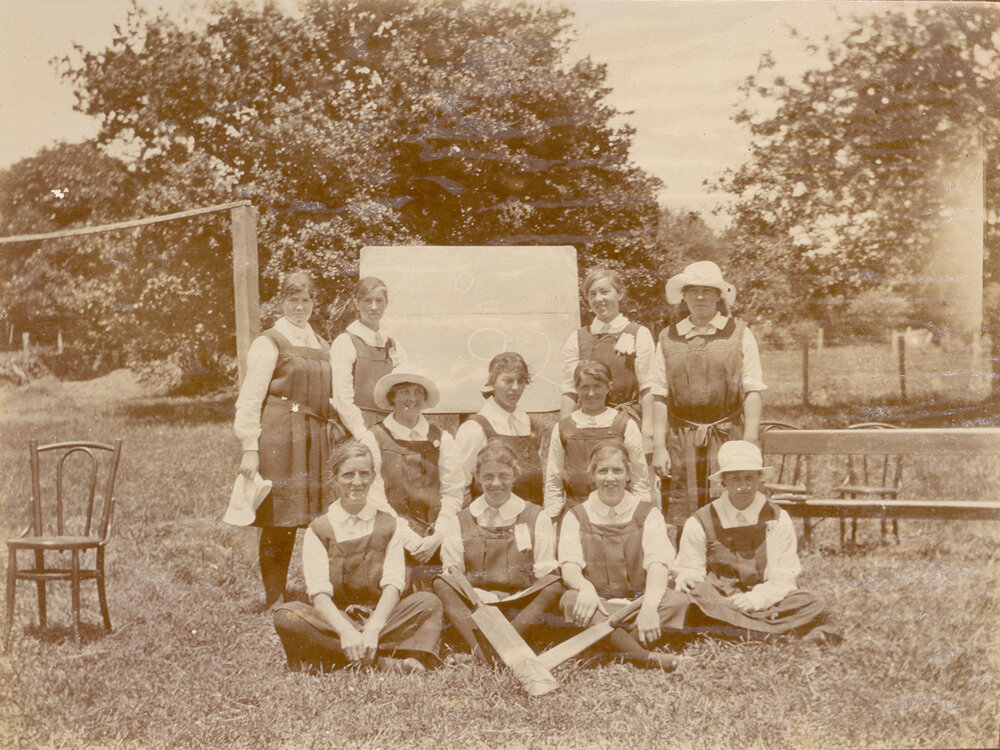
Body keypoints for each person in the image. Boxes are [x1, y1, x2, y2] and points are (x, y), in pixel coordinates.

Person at [272, 441, 443, 673]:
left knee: (428, 602)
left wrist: (373, 628)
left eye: (364, 474)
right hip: (337, 619)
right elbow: (319, 595)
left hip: (384, 618)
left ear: (373, 477)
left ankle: (331, 657)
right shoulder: (319, 529)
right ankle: (383, 662)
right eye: (348, 475)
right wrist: (345, 631)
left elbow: (393, 585)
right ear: (334, 479)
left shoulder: (389, 524)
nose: (357, 482)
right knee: (287, 615)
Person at [234, 271, 332, 610]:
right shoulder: (269, 341)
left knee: (320, 519)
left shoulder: (322, 344)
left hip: (316, 435)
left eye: (305, 300)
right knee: (281, 519)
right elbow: (250, 397)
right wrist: (250, 447)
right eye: (293, 300)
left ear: (313, 303)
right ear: (282, 302)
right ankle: (275, 597)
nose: (299, 307)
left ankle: (326, 592)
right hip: (280, 434)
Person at [672, 441, 836, 641]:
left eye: (750, 477)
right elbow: (689, 567)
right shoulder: (701, 520)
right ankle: (776, 634)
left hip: (767, 599)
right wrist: (688, 577)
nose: (743, 486)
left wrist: (755, 599)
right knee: (696, 594)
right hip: (721, 599)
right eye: (735, 479)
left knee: (814, 601)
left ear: (760, 479)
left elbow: (783, 577)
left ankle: (730, 631)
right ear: (723, 481)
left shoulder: (777, 518)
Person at [650, 261, 765, 527]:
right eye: (693, 291)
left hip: (728, 434)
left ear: (718, 295)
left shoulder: (740, 334)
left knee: (731, 506)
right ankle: (689, 566)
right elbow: (659, 395)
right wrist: (659, 447)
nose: (699, 297)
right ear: (684, 296)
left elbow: (753, 389)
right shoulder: (668, 337)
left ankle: (731, 564)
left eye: (707, 290)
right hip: (681, 439)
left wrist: (749, 441)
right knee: (684, 510)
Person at [558, 442, 689, 669]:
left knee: (677, 602)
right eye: (603, 471)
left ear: (628, 474)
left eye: (617, 470)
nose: (610, 478)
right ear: (592, 476)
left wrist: (648, 609)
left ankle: (607, 646)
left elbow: (658, 564)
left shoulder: (647, 513)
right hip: (597, 607)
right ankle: (642, 656)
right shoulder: (577, 515)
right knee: (570, 599)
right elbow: (569, 565)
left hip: (638, 606)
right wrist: (586, 590)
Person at [433, 441, 563, 657]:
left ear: (515, 475)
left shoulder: (535, 516)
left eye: (503, 475)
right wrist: (478, 597)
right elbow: (453, 571)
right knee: (441, 582)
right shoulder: (460, 520)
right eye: (488, 476)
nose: (496, 483)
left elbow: (544, 572)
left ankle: (489, 650)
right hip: (477, 605)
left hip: (521, 607)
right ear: (477, 477)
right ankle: (495, 650)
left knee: (553, 584)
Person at [360, 365, 464, 582]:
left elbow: (453, 491)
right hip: (391, 531)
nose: (412, 398)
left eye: (418, 392)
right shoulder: (374, 438)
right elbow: (374, 497)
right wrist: (409, 539)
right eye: (405, 391)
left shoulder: (442, 438)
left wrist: (438, 535)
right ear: (392, 397)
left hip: (436, 534)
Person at [560, 267, 656, 448]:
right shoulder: (578, 337)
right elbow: (569, 389)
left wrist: (648, 432)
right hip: (588, 424)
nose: (599, 299)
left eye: (605, 292)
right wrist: (564, 430)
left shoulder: (639, 333)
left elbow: (648, 387)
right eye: (592, 294)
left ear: (619, 294)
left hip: (627, 424)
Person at [543, 361, 650, 520]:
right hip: (577, 512)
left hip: (618, 513)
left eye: (598, 386)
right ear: (576, 389)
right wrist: (552, 516)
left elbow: (639, 476)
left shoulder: (625, 424)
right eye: (584, 387)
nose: (591, 393)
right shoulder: (563, 428)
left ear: (609, 387)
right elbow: (554, 478)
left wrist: (642, 516)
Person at [454, 352, 544, 505]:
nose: (515, 388)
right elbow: (459, 487)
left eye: (521, 381)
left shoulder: (531, 426)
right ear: (492, 383)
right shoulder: (474, 428)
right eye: (508, 381)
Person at [330, 277, 408, 440]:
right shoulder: (346, 342)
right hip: (356, 429)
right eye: (367, 301)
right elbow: (342, 397)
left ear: (386, 303)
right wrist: (362, 434)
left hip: (391, 428)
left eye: (379, 301)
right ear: (356, 304)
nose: (374, 307)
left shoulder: (393, 345)